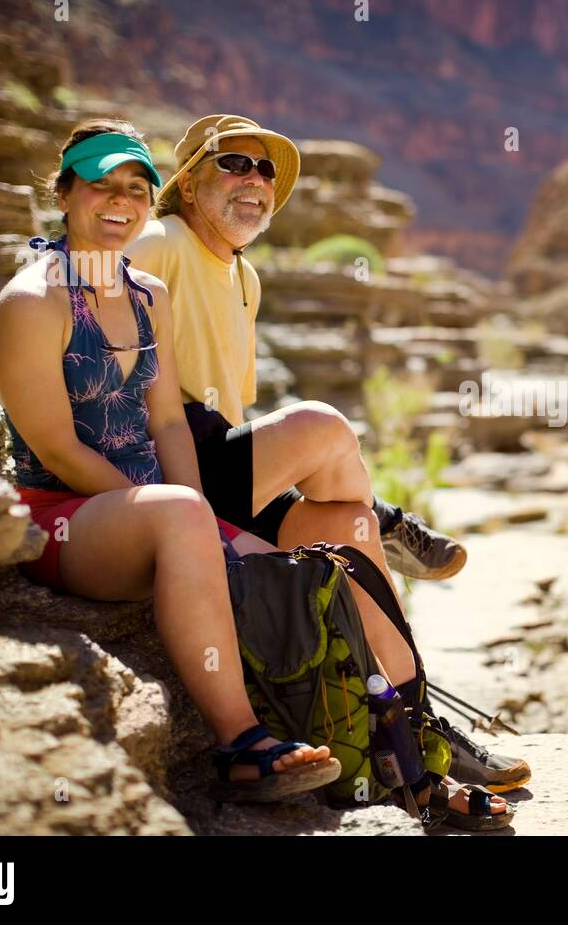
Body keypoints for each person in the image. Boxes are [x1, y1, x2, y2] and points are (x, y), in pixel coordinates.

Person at [0, 118, 512, 824]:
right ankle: (243, 744)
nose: (119, 201)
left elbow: (172, 421)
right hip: (67, 519)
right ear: (63, 191)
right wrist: (194, 519)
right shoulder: (32, 300)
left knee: (329, 566)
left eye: (133, 188)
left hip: (167, 506)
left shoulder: (147, 295)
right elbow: (56, 450)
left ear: (150, 198)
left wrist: (215, 521)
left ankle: (409, 754)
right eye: (99, 185)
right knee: (194, 515)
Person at [126, 115, 530, 793]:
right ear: (189, 183)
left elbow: (233, 410)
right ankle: (393, 519)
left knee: (348, 530)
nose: (256, 179)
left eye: (267, 171)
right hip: (164, 464)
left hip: (217, 463)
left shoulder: (243, 278)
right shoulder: (160, 240)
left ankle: (419, 726)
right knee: (323, 426)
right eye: (235, 164)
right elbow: (104, 342)